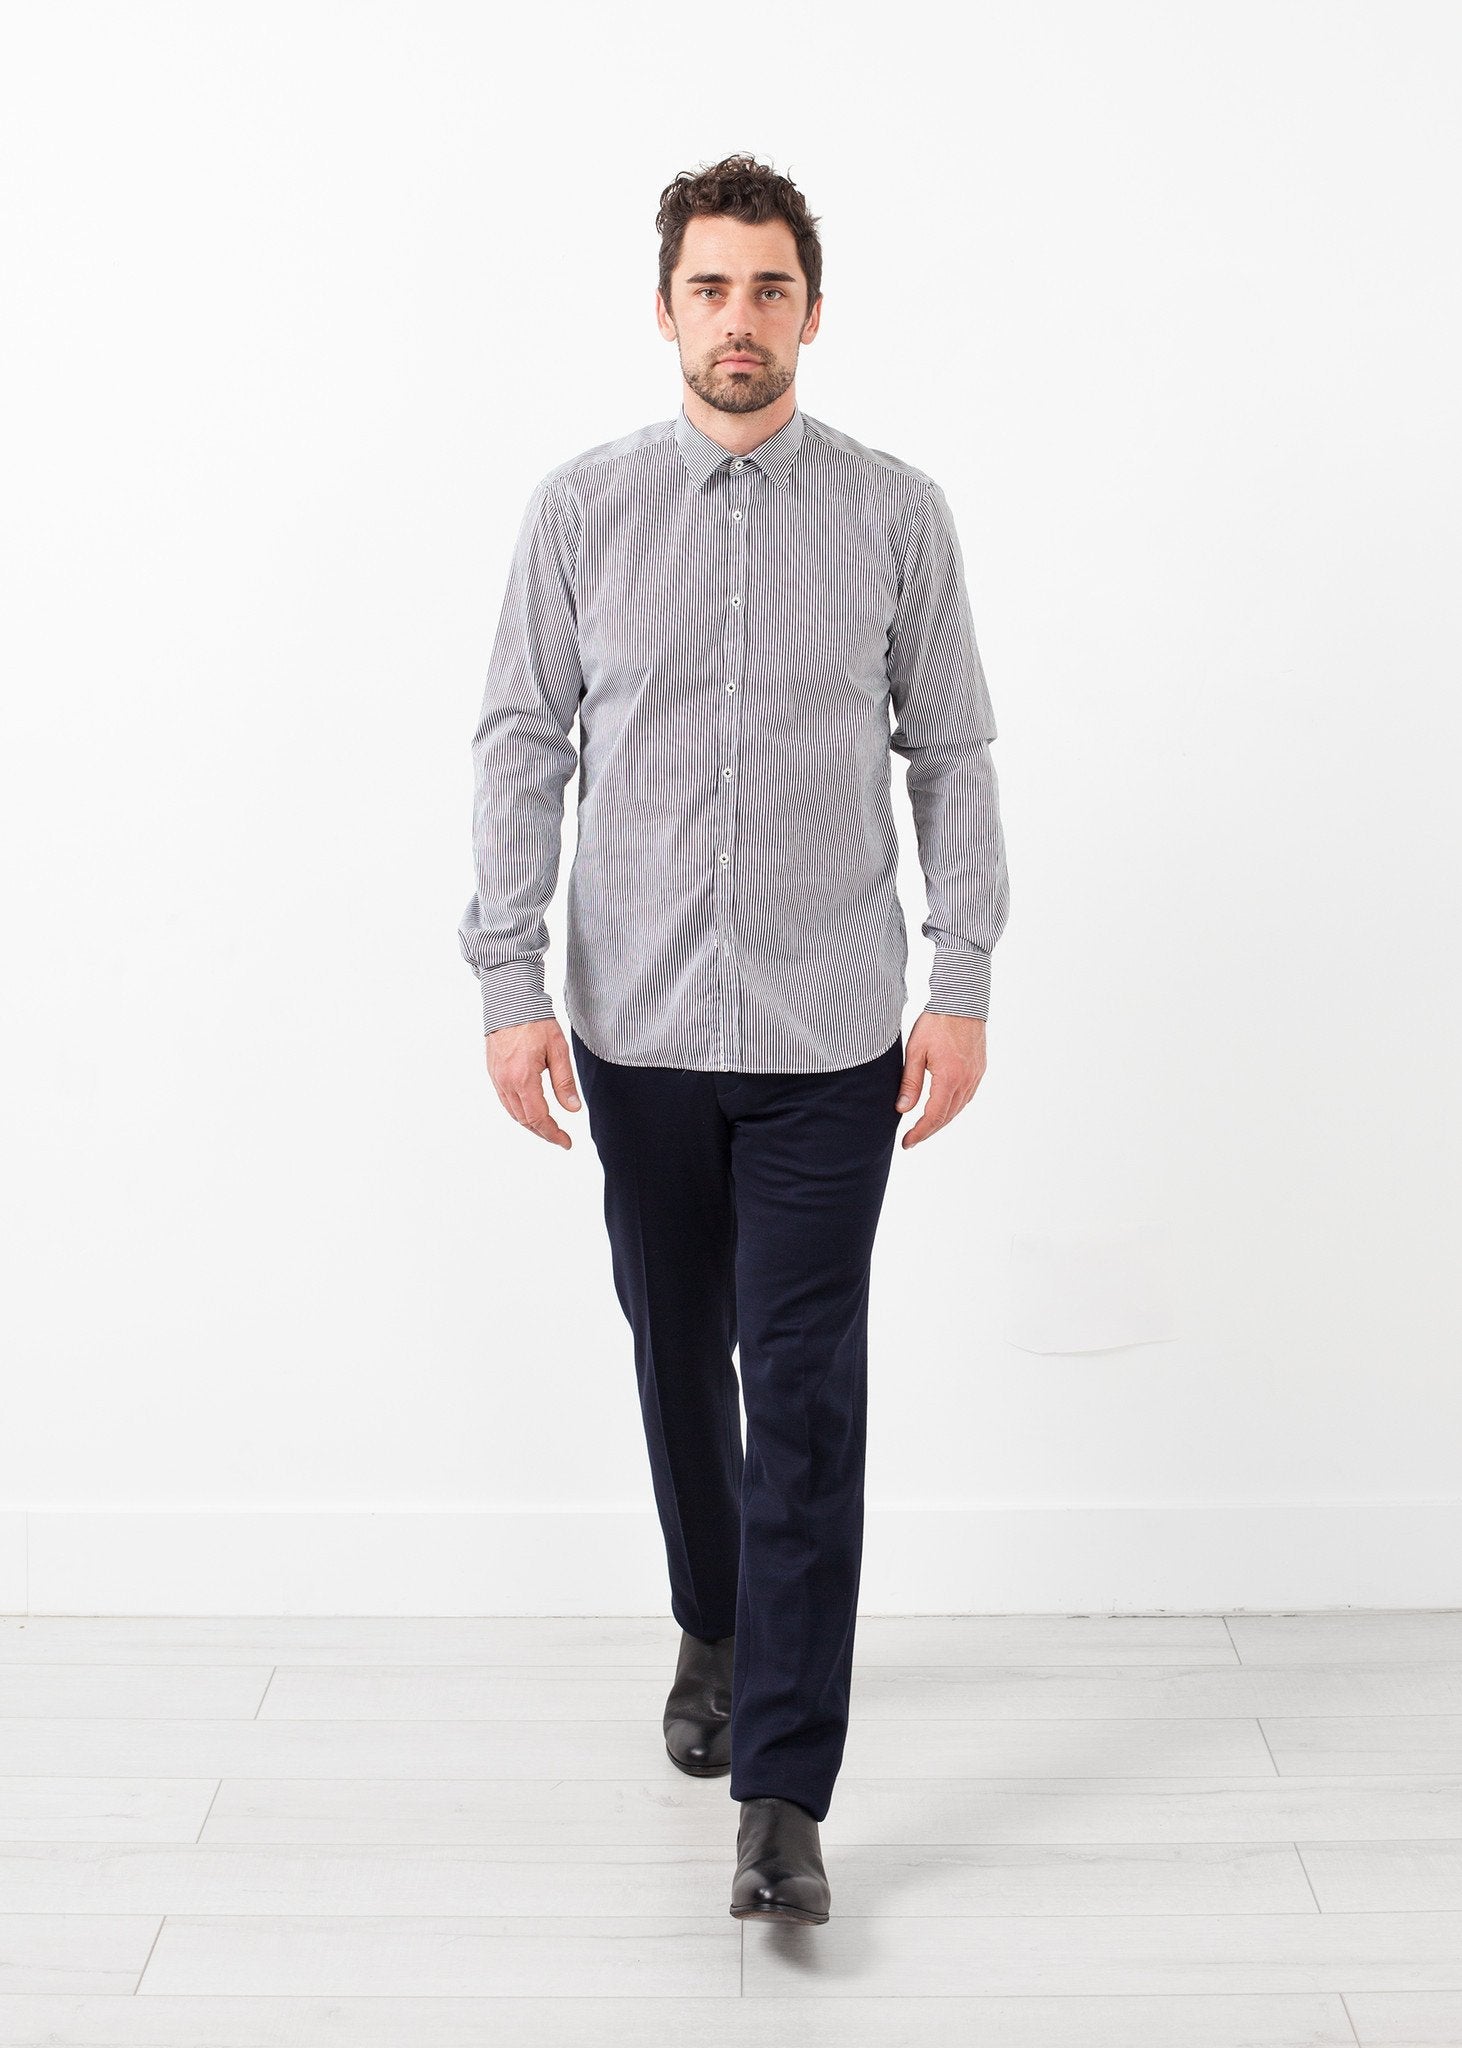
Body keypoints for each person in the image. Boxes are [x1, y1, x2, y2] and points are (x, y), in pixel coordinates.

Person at [457, 151, 1009, 1924]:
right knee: (675, 1356)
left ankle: (782, 1793)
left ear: (811, 313)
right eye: (712, 287)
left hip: (830, 1035)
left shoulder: (896, 515)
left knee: (809, 1394)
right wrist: (509, 984)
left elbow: (951, 754)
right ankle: (712, 1614)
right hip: (634, 1026)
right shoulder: (581, 511)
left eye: (770, 287)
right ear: (666, 309)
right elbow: (521, 742)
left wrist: (959, 979)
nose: (740, 318)